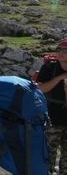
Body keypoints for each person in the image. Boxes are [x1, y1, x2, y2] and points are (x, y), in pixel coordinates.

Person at [36, 38, 67, 174]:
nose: (60, 53)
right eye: (58, 49)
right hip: (52, 119)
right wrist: (59, 78)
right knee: (48, 156)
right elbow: (41, 89)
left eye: (65, 50)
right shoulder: (49, 68)